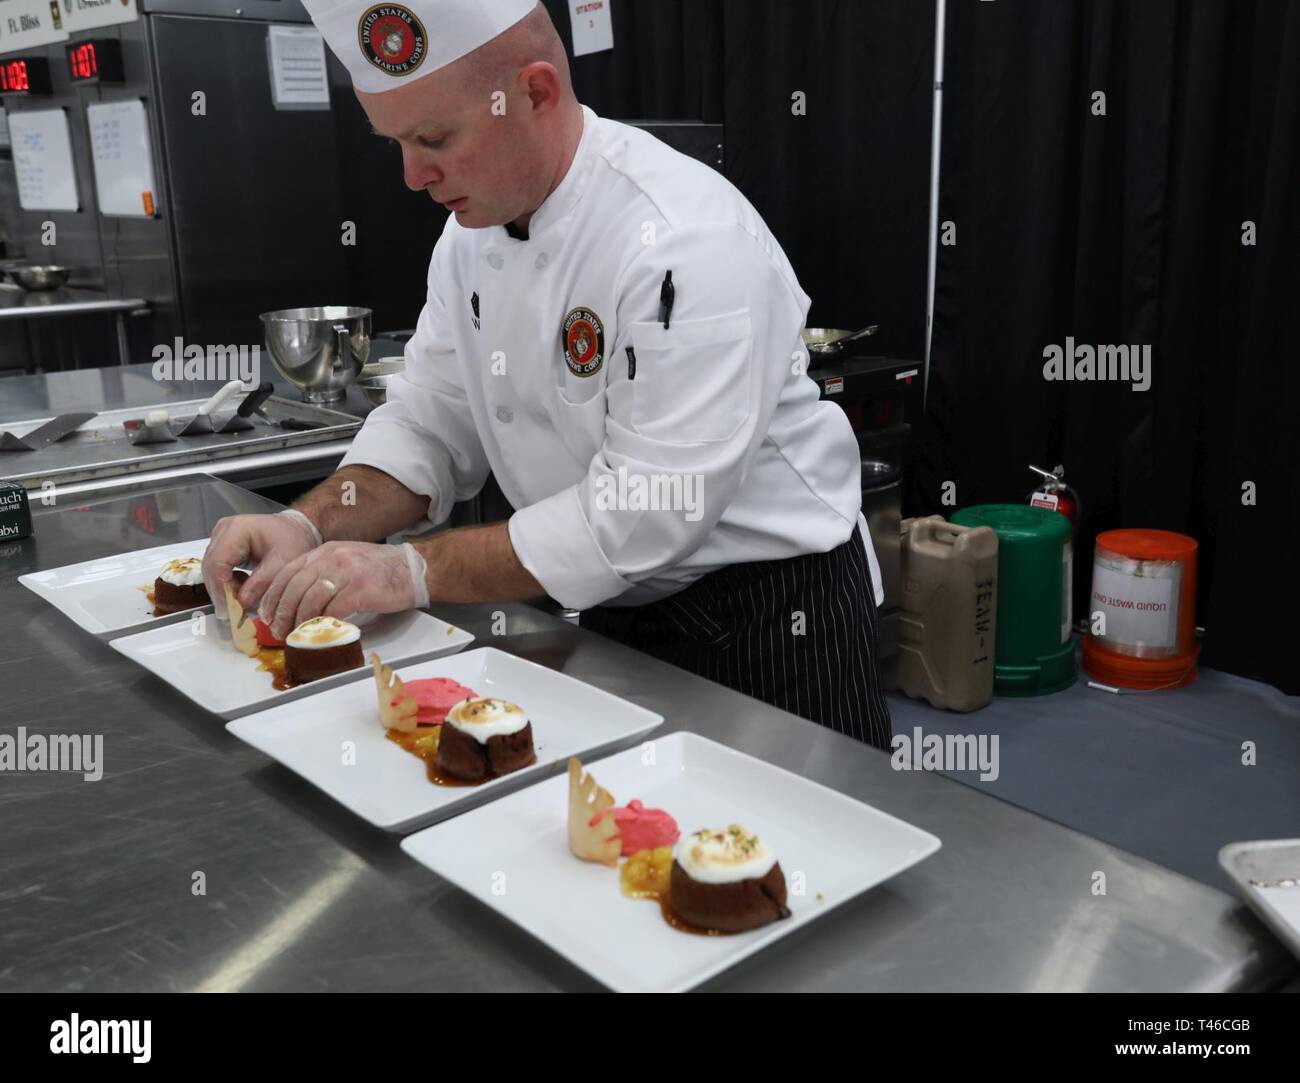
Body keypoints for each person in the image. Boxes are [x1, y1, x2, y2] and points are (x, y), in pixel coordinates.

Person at [203, 0, 892, 749]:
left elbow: (645, 508)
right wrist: (305, 523)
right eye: (395, 141)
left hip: (769, 619)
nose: (411, 175)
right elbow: (429, 422)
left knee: (801, 855)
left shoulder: (683, 240)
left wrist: (409, 571)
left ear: (535, 91)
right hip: (606, 609)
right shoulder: (467, 240)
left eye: (434, 138)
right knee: (624, 851)